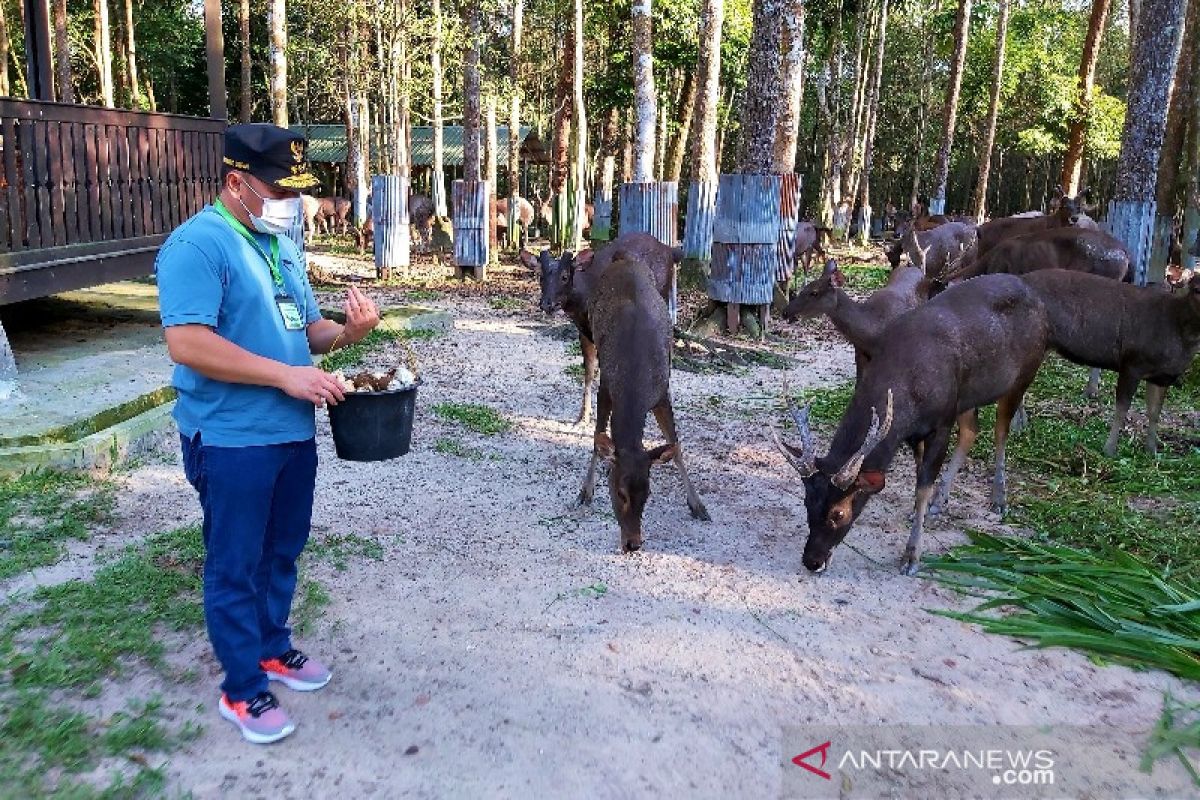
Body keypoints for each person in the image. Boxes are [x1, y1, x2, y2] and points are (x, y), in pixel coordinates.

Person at [155, 124, 379, 744]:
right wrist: (285, 376)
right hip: (229, 439)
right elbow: (187, 342)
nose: (292, 202)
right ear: (236, 183)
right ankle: (241, 688)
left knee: (282, 548)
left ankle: (273, 648)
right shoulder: (198, 246)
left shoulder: (280, 244)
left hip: (290, 433)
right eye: (279, 189)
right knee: (236, 561)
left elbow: (310, 333)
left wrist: (351, 333)